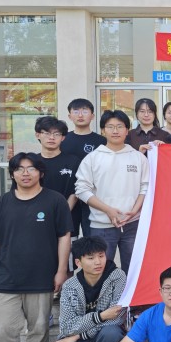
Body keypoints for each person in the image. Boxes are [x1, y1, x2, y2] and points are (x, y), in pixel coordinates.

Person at [0, 152, 73, 342]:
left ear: (41, 172)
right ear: (12, 174)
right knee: (1, 328)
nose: (25, 173)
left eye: (31, 168)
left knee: (39, 328)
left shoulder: (55, 201)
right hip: (5, 279)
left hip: (42, 278)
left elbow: (64, 237)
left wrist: (61, 270)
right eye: (19, 169)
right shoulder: (0, 204)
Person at [43, 236, 126, 342]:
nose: (98, 262)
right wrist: (100, 316)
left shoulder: (117, 277)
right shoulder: (70, 286)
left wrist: (79, 335)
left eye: (101, 256)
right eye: (91, 258)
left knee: (111, 333)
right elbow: (67, 326)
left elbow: (117, 317)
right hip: (80, 339)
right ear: (78, 263)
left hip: (101, 335)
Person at [75, 110, 149, 275]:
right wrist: (108, 210)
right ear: (103, 130)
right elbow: (81, 190)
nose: (115, 131)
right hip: (101, 226)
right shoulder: (93, 158)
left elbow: (145, 187)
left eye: (120, 126)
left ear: (127, 130)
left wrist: (134, 210)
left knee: (134, 271)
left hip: (133, 225)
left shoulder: (138, 157)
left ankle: (130, 295)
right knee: (100, 272)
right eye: (110, 127)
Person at [62, 98, 107, 238]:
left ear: (92, 116)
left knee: (92, 237)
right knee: (68, 236)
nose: (80, 115)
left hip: (93, 195)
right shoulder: (63, 140)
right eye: (76, 111)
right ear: (69, 116)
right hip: (68, 194)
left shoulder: (102, 141)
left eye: (85, 111)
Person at [34, 116, 80, 224]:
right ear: (38, 135)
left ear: (63, 137)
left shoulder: (73, 161)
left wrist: (62, 214)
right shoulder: (32, 162)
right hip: (37, 217)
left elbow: (76, 191)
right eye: (47, 133)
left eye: (57, 134)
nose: (51, 137)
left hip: (67, 217)